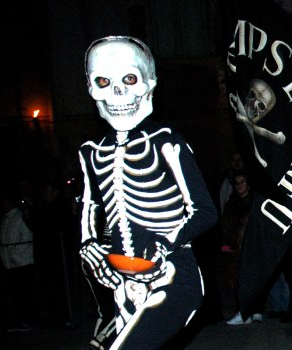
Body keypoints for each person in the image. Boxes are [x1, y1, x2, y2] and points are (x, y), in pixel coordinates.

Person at [77, 36, 217, 349]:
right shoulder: (90, 151)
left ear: (149, 84)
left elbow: (205, 211)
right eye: (103, 82)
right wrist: (88, 243)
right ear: (90, 88)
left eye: (129, 79)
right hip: (123, 280)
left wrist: (165, 241)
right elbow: (90, 203)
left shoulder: (166, 142)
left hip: (171, 275)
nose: (117, 92)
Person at [216, 171, 255, 325]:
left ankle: (249, 312)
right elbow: (224, 226)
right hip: (233, 248)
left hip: (249, 247)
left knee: (249, 281)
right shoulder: (231, 203)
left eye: (242, 182)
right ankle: (245, 312)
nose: (239, 185)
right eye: (237, 183)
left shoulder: (253, 203)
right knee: (236, 282)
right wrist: (226, 245)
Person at [0, 190, 38, 332]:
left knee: (25, 292)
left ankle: (30, 320)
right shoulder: (5, 218)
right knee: (16, 293)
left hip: (23, 262)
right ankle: (21, 320)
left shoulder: (19, 217)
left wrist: (15, 253)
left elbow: (26, 237)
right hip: (10, 262)